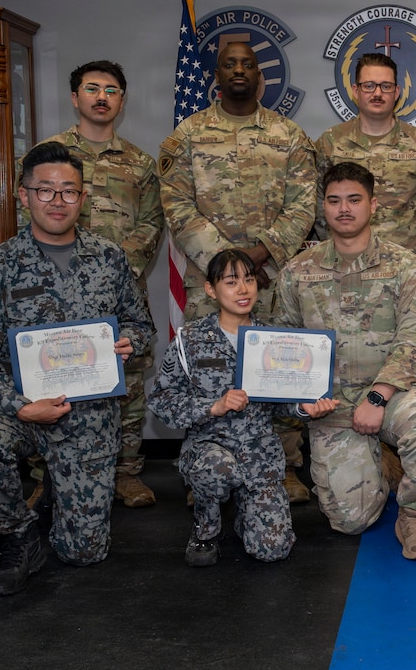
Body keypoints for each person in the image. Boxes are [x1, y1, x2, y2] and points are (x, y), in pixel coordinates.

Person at [0, 142, 155, 596]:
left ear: (83, 198)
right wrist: (19, 406)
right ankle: (16, 536)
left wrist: (130, 340)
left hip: (90, 413)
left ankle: (55, 492)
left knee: (84, 553)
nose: (57, 201)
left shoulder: (109, 257)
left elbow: (141, 324)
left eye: (69, 191)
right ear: (23, 195)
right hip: (22, 409)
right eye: (45, 190)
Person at [159, 41, 318, 504]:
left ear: (259, 75)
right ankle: (206, 468)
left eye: (248, 64)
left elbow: (303, 204)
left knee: (280, 372)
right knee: (208, 376)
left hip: (273, 279)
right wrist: (231, 268)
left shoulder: (288, 135)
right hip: (211, 284)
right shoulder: (188, 135)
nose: (239, 70)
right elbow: (177, 205)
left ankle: (283, 466)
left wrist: (262, 254)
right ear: (217, 75)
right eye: (229, 64)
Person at [276, 161, 416, 560]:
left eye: (354, 199)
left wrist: (378, 396)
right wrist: (301, 400)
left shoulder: (405, 266)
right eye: (334, 200)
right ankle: (379, 463)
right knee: (350, 520)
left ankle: (414, 516)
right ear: (323, 207)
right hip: (332, 405)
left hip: (394, 393)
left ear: (373, 205)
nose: (344, 209)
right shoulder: (297, 272)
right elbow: (284, 344)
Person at [23, 60, 165, 510]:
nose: (101, 97)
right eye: (91, 88)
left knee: (126, 378)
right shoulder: (48, 155)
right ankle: (48, 477)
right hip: (53, 290)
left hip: (120, 290)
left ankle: (125, 473)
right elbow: (33, 214)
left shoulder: (140, 163)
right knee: (52, 375)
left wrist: (116, 270)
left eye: (111, 90)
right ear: (75, 97)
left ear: (122, 101)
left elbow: (152, 222)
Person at [149, 249, 336, 567]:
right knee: (217, 470)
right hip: (210, 449)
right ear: (211, 290)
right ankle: (206, 528)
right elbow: (161, 400)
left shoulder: (272, 340)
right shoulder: (189, 340)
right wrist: (213, 406)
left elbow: (281, 404)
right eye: (231, 281)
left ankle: (246, 516)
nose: (243, 289)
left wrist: (304, 407)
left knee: (272, 549)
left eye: (249, 280)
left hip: (259, 453)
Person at [314, 53, 416, 256]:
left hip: (402, 261)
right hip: (346, 260)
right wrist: (335, 246)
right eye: (369, 86)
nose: (378, 93)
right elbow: (318, 203)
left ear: (396, 92)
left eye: (386, 86)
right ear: (356, 90)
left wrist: (414, 253)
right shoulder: (331, 142)